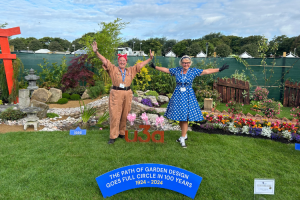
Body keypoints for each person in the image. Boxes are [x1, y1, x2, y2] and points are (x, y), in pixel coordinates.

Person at [149, 55, 229, 148]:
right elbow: (166, 70)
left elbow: (206, 71)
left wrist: (219, 69)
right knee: (179, 116)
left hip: (188, 95)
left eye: (187, 63)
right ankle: (184, 134)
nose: (185, 64)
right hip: (178, 95)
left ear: (190, 63)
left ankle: (182, 137)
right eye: (184, 63)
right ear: (181, 63)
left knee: (185, 117)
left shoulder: (193, 71)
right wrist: (155, 67)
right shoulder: (177, 70)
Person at [91, 41, 153, 144]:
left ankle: (121, 133)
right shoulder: (113, 69)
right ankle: (113, 136)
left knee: (125, 114)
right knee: (115, 114)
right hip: (116, 93)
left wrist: (150, 59)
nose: (122, 62)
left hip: (127, 93)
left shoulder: (130, 70)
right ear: (118, 61)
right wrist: (96, 53)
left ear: (126, 62)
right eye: (120, 60)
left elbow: (140, 65)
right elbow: (105, 61)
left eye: (124, 61)